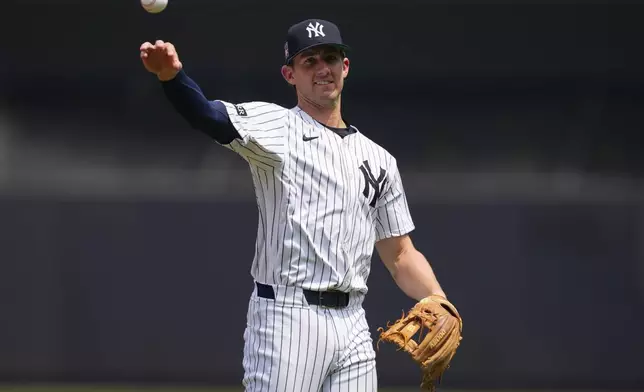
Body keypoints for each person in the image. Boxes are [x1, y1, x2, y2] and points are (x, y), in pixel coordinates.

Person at [140, 18, 448, 392]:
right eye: (310, 61)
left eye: (331, 58)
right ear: (290, 74)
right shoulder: (278, 126)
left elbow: (400, 254)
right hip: (287, 318)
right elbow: (208, 115)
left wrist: (438, 299)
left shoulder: (379, 159)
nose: (323, 69)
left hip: (354, 324)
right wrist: (172, 77)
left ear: (345, 67)